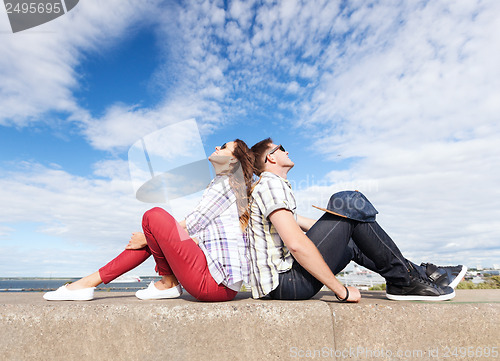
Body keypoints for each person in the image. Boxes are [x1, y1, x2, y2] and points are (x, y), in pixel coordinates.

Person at [246, 138, 466, 302]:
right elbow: (296, 244)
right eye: (281, 148)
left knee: (350, 226)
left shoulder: (272, 187)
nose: (287, 150)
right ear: (271, 157)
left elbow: (315, 229)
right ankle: (410, 279)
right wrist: (341, 291)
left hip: (283, 284)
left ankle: (413, 275)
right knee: (348, 201)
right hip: (286, 284)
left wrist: (346, 226)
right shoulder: (271, 185)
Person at [44, 139, 254, 302]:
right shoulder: (226, 184)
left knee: (153, 216)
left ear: (233, 159)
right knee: (154, 227)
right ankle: (89, 283)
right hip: (219, 284)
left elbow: (195, 222)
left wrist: (148, 236)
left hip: (214, 285)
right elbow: (202, 235)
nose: (217, 146)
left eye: (224, 146)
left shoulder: (225, 183)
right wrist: (155, 239)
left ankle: (165, 283)